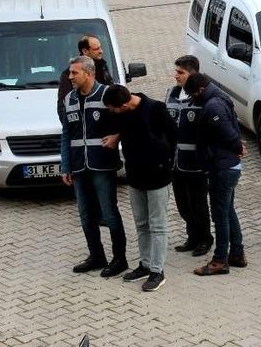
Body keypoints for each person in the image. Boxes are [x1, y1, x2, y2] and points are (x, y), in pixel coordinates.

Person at [103, 85, 177, 292]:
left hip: (157, 176)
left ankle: (157, 271)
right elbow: (123, 130)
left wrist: (164, 161)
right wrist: (117, 138)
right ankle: (144, 265)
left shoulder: (156, 109)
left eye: (114, 109)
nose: (113, 113)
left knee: (158, 225)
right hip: (135, 176)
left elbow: (173, 135)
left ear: (125, 104)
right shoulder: (123, 113)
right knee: (141, 224)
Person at [59, 56, 128, 277]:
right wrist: (65, 166)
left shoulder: (107, 94)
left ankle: (120, 259)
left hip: (102, 166)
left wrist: (117, 136)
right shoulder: (69, 99)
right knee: (85, 215)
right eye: (70, 73)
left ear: (88, 74)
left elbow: (125, 122)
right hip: (79, 166)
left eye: (74, 73)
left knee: (109, 213)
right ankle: (97, 256)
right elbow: (66, 134)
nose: (70, 77)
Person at [184, 73, 247, 276]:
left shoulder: (212, 106)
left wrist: (238, 147)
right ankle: (236, 254)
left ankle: (220, 260)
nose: (193, 100)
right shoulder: (218, 98)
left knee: (220, 215)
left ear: (201, 90)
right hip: (227, 166)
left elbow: (227, 132)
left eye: (194, 95)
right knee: (228, 211)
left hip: (222, 168)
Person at [165, 56, 213, 257]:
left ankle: (205, 239)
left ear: (193, 74)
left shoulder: (202, 97)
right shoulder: (172, 94)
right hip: (176, 163)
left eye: (180, 72)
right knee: (183, 204)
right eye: (176, 71)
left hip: (196, 164)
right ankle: (192, 236)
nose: (176, 75)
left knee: (198, 204)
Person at [57, 35, 114, 118]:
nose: (101, 51)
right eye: (96, 49)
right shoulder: (69, 74)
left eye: (100, 47)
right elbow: (63, 106)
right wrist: (73, 127)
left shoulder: (103, 66)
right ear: (85, 51)